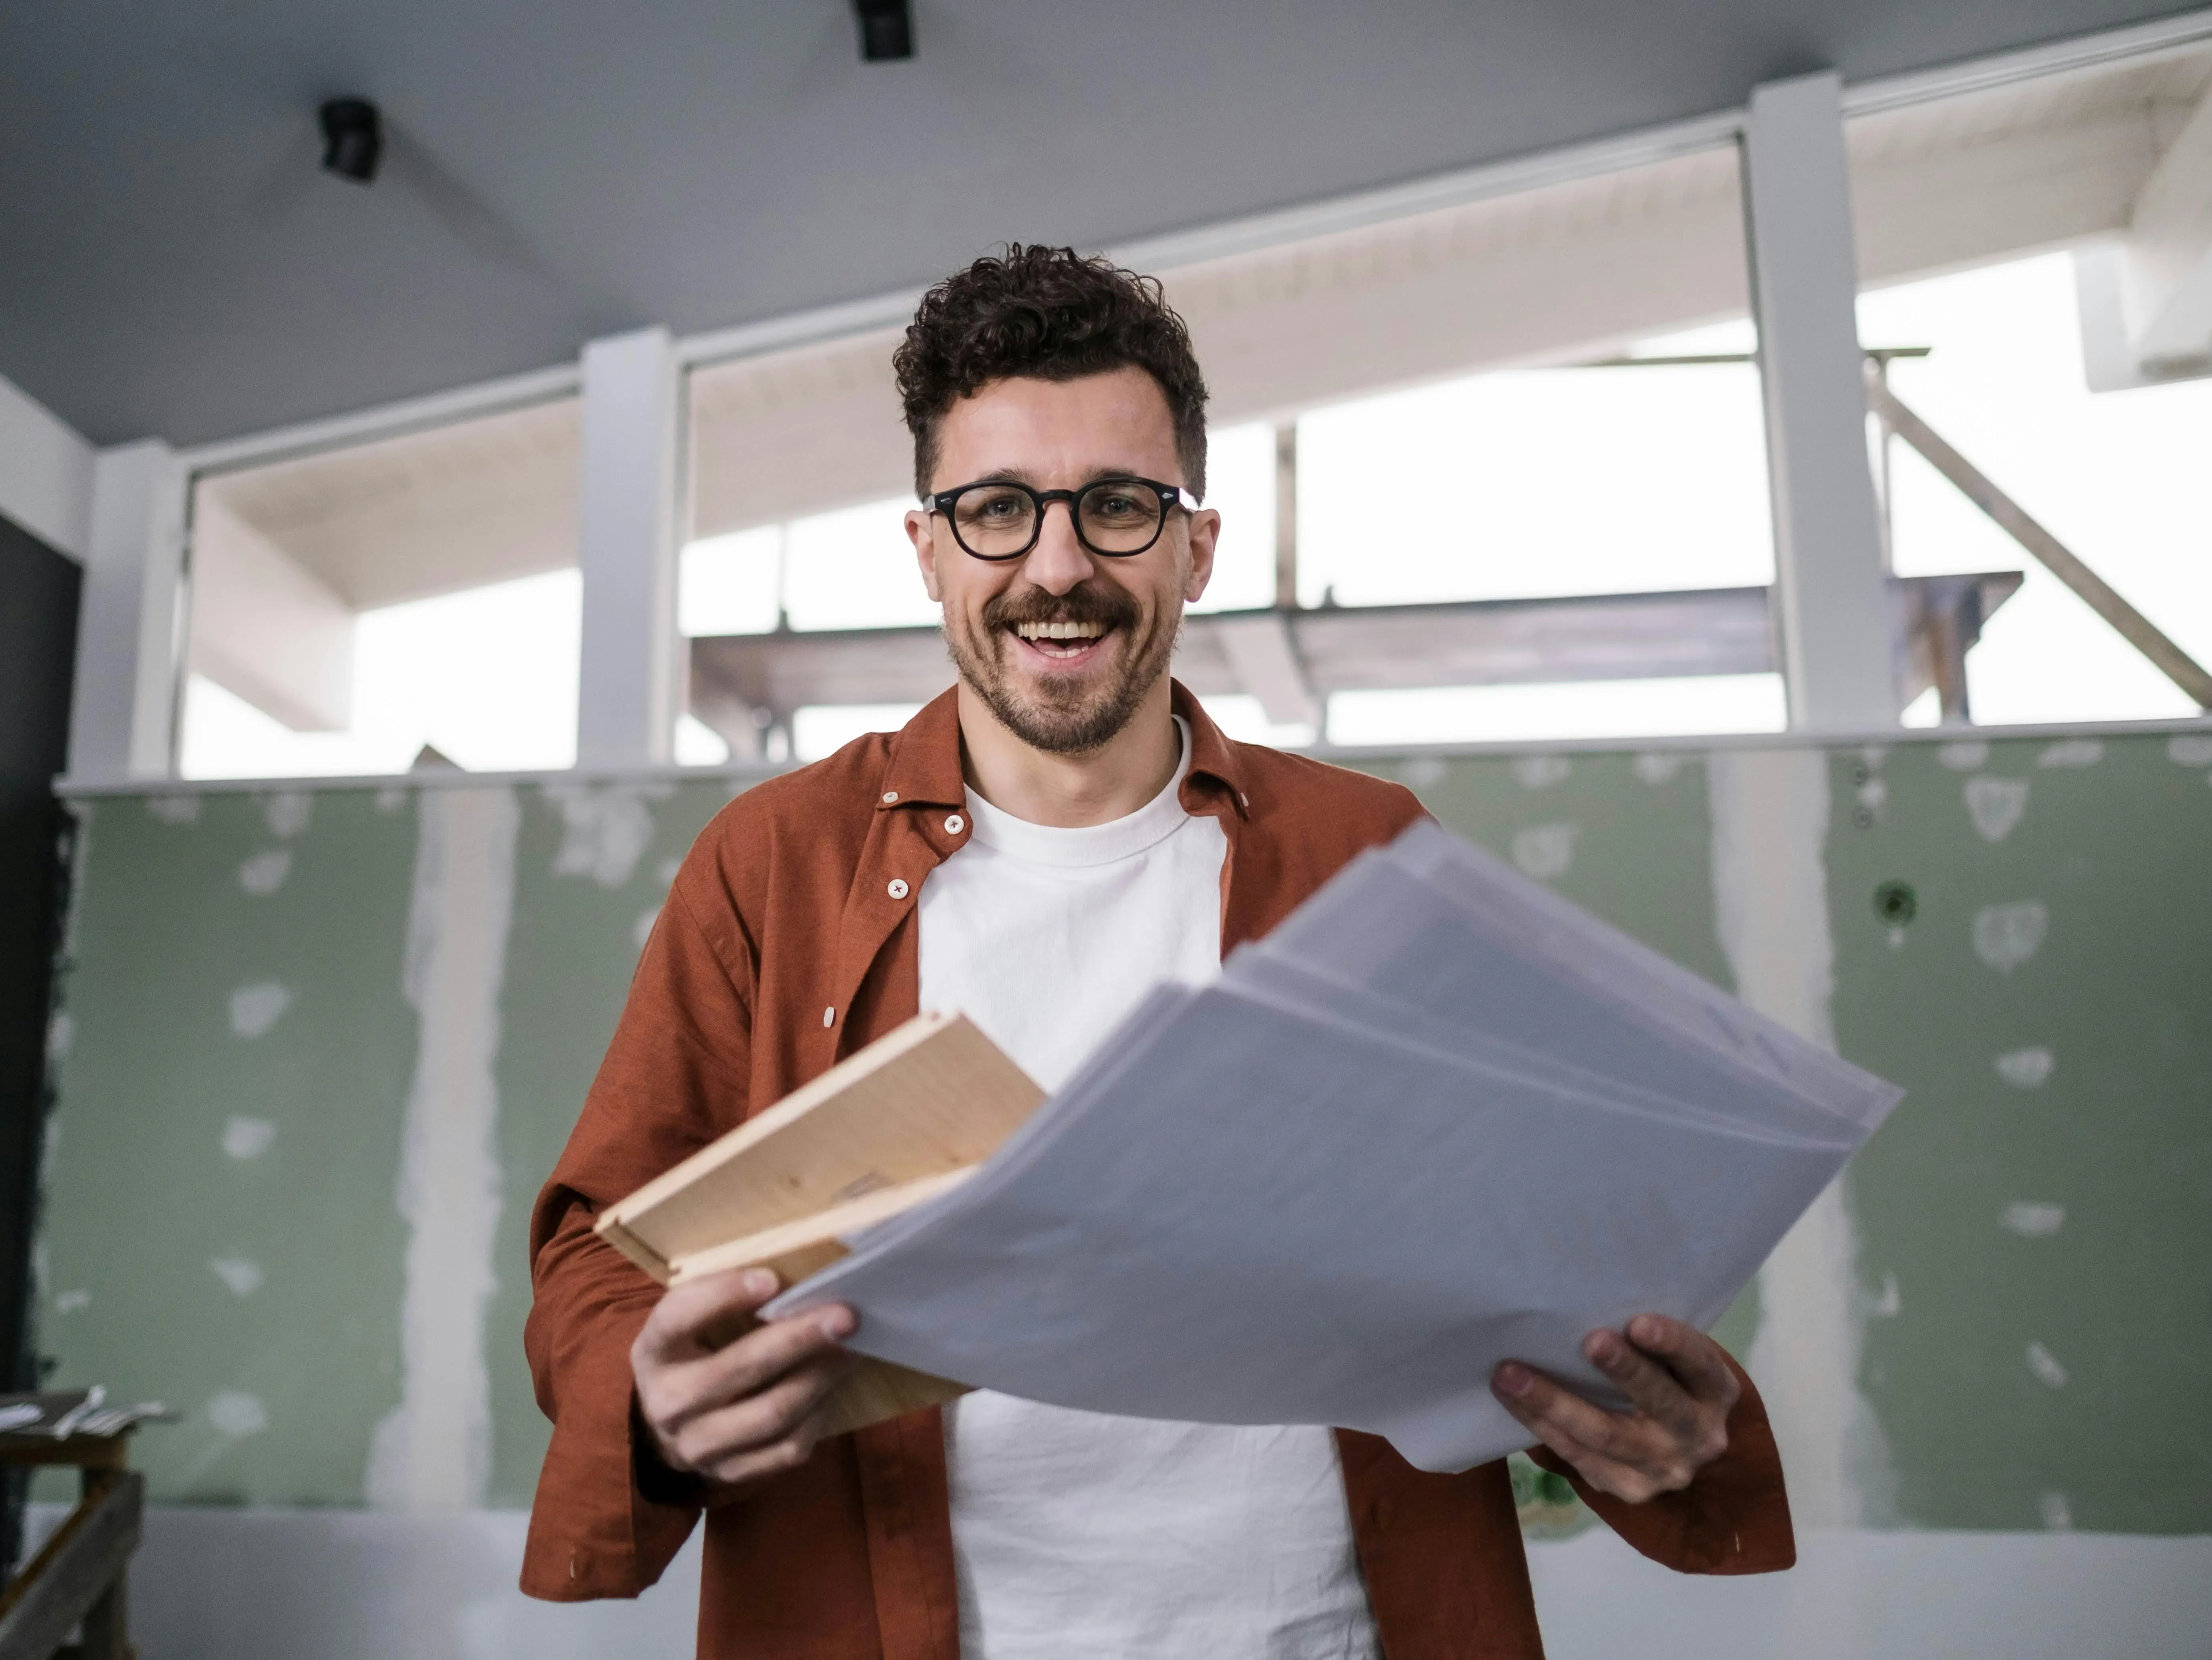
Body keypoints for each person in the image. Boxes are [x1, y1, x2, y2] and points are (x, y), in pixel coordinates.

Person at [523, 245, 1793, 1658]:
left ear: (1195, 543)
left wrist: (1640, 1410)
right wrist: (642, 1393)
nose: (1057, 567)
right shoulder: (774, 862)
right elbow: (597, 1247)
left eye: (1117, 506)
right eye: (997, 510)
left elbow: (1540, 1247)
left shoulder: (1369, 851)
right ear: (929, 546)